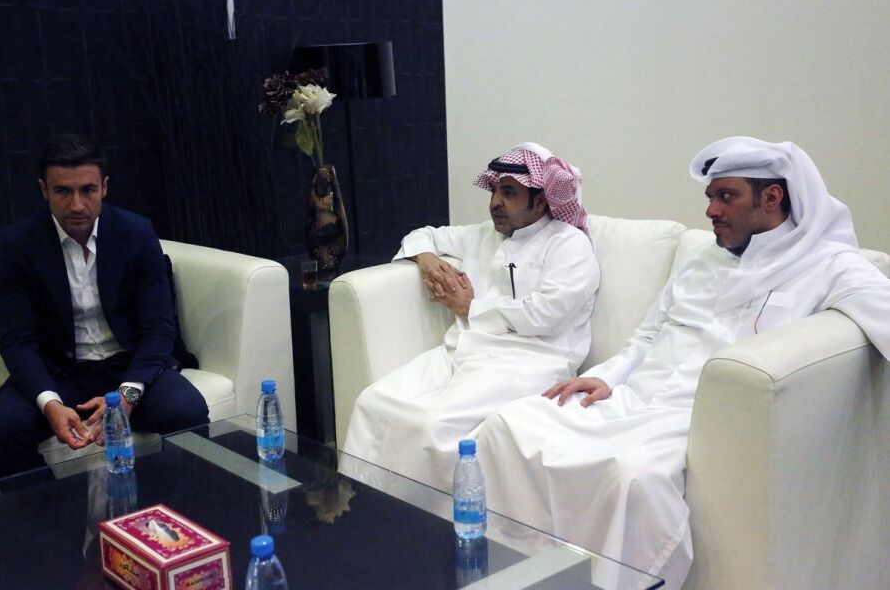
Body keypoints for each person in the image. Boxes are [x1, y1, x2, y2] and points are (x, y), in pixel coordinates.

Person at [474, 136, 890, 589]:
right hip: (633, 397)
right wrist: (605, 376)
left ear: (772, 197)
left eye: (726, 196)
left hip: (696, 421)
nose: (711, 210)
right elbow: (648, 336)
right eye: (710, 196)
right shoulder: (700, 260)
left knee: (632, 475)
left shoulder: (829, 266)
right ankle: (516, 572)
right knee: (506, 426)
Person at [342, 142, 600, 491]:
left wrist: (470, 308)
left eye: (508, 193)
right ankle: (361, 504)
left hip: (528, 362)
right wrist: (427, 260)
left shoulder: (568, 244)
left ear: (540, 201)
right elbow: (422, 235)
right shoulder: (482, 234)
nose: (495, 202)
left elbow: (546, 314)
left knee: (430, 424)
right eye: (494, 191)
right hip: (460, 350)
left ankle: (414, 518)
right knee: (373, 402)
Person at [0, 134, 209, 479]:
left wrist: (128, 394)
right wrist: (50, 403)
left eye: (87, 190)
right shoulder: (18, 244)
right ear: (44, 190)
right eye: (63, 191)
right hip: (58, 371)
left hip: (128, 364)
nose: (77, 205)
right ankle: (53, 511)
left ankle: (170, 507)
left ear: (104, 187)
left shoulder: (136, 232)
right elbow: (17, 341)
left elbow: (158, 328)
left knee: (186, 410)